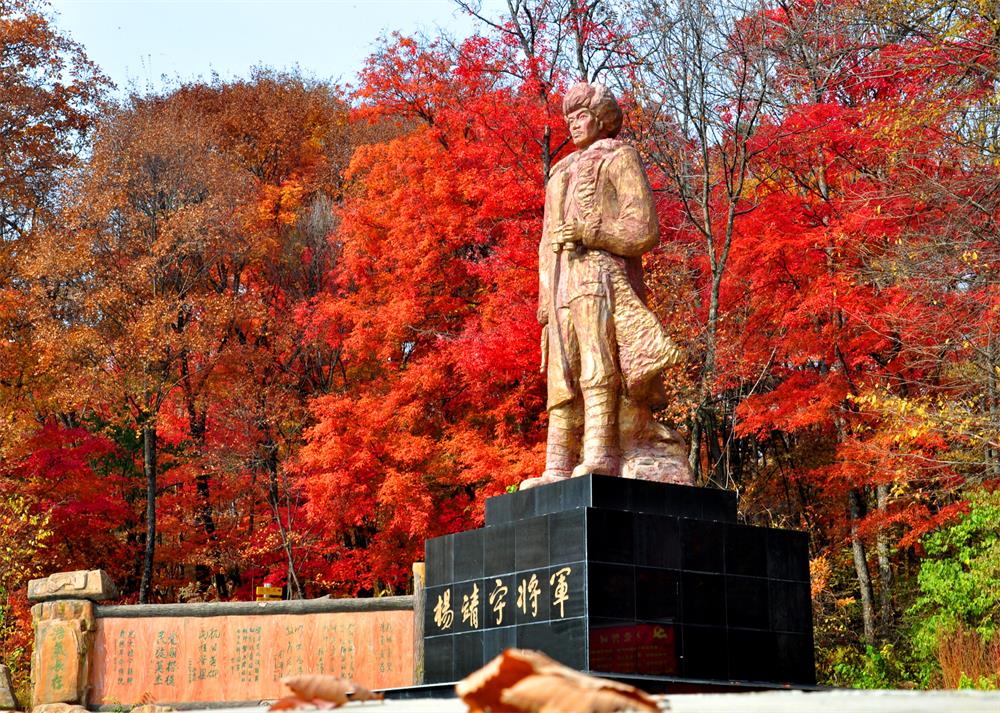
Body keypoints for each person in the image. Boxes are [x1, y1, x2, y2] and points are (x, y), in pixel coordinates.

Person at [522, 82, 692, 489]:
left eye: (582, 116)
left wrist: (592, 232)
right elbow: (545, 241)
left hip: (601, 276)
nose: (574, 124)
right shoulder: (559, 171)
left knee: (599, 364)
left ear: (601, 119)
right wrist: (544, 305)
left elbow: (643, 228)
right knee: (562, 374)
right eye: (569, 118)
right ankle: (558, 466)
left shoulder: (619, 156)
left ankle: (601, 455)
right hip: (561, 283)